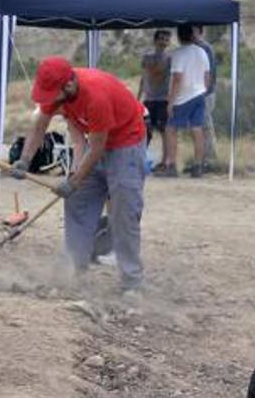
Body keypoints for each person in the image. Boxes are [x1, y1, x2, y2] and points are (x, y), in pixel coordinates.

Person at [13, 57, 148, 293]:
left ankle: (131, 282)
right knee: (78, 200)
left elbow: (97, 148)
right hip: (97, 142)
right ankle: (74, 272)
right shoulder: (58, 89)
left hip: (126, 142)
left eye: (52, 94)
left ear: (69, 85)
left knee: (124, 210)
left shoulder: (96, 95)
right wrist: (24, 160)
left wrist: (74, 180)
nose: (49, 100)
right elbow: (39, 126)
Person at [158, 24, 211, 179]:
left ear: (179, 36)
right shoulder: (202, 52)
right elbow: (207, 76)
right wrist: (203, 90)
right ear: (192, 35)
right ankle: (198, 166)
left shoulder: (178, 54)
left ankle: (171, 166)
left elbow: (177, 79)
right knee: (197, 129)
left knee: (170, 129)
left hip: (183, 97)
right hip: (199, 94)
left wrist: (171, 101)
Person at [139, 29, 171, 160]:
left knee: (164, 131)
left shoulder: (170, 58)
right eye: (161, 38)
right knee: (145, 130)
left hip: (163, 99)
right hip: (149, 98)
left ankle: (165, 160)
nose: (164, 42)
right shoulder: (147, 57)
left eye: (166, 39)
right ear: (155, 40)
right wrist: (138, 97)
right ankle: (141, 157)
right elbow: (145, 76)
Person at [193, 25, 217, 162]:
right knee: (201, 125)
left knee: (205, 125)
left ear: (200, 32)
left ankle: (209, 157)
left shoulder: (205, 48)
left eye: (194, 30)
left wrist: (204, 91)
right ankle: (204, 157)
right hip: (200, 92)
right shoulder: (197, 48)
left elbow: (209, 73)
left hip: (206, 93)